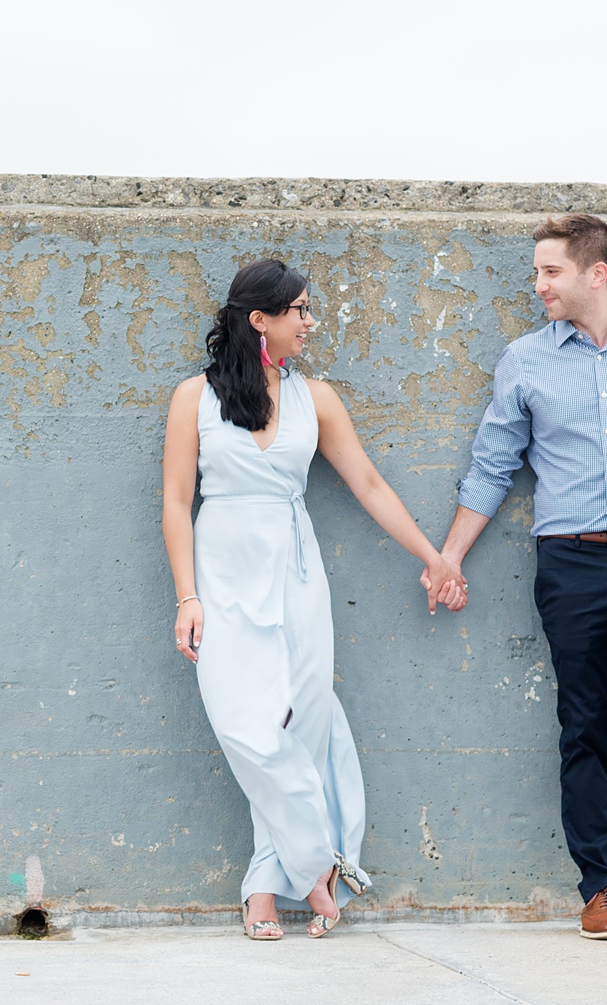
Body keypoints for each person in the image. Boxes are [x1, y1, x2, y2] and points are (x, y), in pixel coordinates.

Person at [432, 214, 607, 941]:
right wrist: (451, 554)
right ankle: (599, 887)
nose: (538, 285)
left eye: (550, 272)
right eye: (536, 272)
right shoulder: (525, 361)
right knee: (578, 717)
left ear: (598, 272)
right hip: (572, 560)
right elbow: (493, 465)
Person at [161, 258, 465, 941]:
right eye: (298, 309)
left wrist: (434, 556)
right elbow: (177, 504)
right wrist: (187, 596)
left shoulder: (317, 398)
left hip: (296, 573)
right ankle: (315, 862)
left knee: (302, 724)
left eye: (309, 308)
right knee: (247, 727)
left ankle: (263, 889)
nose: (309, 321)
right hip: (223, 575)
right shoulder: (193, 399)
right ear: (258, 318)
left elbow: (370, 484)